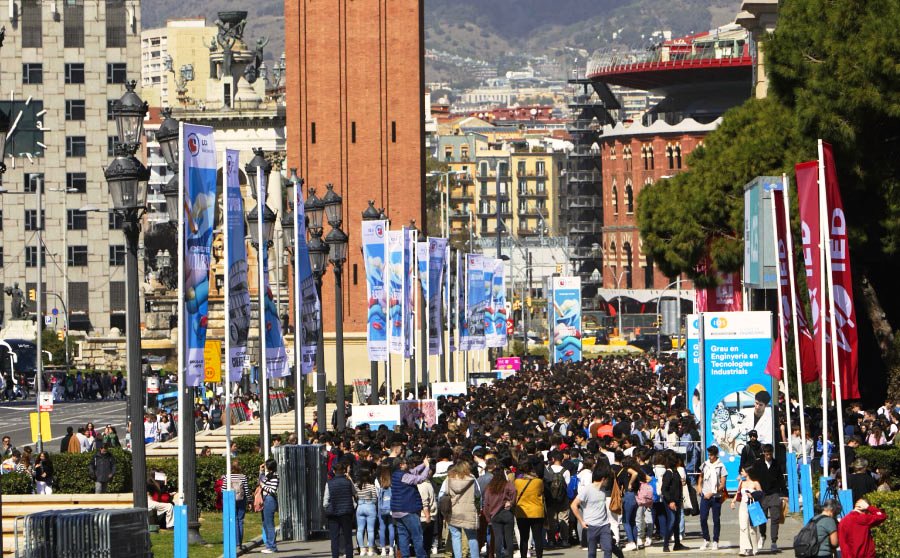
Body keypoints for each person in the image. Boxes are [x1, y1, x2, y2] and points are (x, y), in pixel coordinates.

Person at [391, 455, 431, 558]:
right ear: (401, 465)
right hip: (408, 510)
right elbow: (420, 479)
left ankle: (405, 556)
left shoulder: (396, 474)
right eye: (405, 463)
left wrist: (424, 464)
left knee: (403, 535)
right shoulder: (404, 476)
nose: (408, 465)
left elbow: (414, 471)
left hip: (397, 511)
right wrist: (427, 467)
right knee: (417, 535)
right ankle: (421, 556)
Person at [570, 465, 613, 558]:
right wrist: (581, 521)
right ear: (603, 479)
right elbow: (573, 505)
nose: (608, 481)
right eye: (607, 479)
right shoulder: (587, 490)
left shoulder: (603, 490)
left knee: (608, 549)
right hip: (591, 526)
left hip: (604, 525)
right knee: (592, 553)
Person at [752, 443, 786, 552]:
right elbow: (753, 477)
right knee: (762, 519)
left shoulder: (776, 464)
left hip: (774, 494)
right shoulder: (758, 463)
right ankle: (762, 535)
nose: (768, 456)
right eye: (766, 454)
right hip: (762, 495)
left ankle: (774, 542)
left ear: (772, 453)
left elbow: (781, 479)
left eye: (770, 454)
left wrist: (785, 494)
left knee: (775, 518)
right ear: (763, 453)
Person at [443, 461, 480, 558]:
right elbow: (477, 494)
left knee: (455, 537)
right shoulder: (472, 479)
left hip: (453, 511)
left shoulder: (449, 479)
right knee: (472, 537)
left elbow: (446, 492)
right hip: (469, 511)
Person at [324, 461, 358, 558]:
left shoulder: (329, 483)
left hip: (333, 513)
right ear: (344, 471)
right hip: (346, 512)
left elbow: (325, 501)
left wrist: (327, 508)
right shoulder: (348, 481)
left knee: (334, 538)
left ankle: (335, 556)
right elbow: (355, 493)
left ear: (334, 471)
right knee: (348, 537)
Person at [482, 464, 517, 558]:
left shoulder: (489, 488)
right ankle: (510, 556)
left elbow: (486, 504)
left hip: (495, 515)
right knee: (509, 537)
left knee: (498, 538)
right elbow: (514, 491)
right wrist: (511, 502)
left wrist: (488, 518)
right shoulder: (507, 484)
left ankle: (498, 556)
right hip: (507, 513)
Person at [696, 445, 727, 551]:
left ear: (716, 455)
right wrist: (699, 487)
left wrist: (713, 492)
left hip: (716, 497)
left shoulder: (721, 466)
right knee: (703, 518)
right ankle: (706, 539)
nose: (709, 457)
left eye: (711, 455)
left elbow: (723, 484)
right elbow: (700, 476)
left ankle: (715, 540)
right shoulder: (705, 464)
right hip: (705, 496)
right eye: (708, 455)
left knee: (716, 519)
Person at [514, 460, 545, 558]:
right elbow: (541, 492)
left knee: (524, 537)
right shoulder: (538, 481)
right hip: (537, 511)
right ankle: (539, 556)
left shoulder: (517, 482)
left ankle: (524, 555)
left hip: (522, 512)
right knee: (538, 537)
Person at [731, 466, 762, 556]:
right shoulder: (742, 482)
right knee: (743, 527)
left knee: (752, 529)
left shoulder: (755, 483)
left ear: (748, 472)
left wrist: (753, 495)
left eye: (743, 471)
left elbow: (761, 494)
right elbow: (737, 493)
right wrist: (733, 502)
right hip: (743, 506)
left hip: (753, 505)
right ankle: (744, 549)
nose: (741, 473)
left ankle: (754, 548)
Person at [220, 462, 250, 547]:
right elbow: (246, 490)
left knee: (234, 519)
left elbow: (223, 489)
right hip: (241, 499)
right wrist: (250, 500)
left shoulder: (227, 477)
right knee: (240, 520)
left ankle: (235, 540)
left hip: (231, 500)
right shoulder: (243, 477)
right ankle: (239, 541)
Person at [356, 467, 378, 556]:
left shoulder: (357, 485)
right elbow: (375, 498)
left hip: (360, 506)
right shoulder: (371, 486)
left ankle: (362, 549)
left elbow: (355, 495)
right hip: (370, 506)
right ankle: (370, 550)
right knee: (371, 530)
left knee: (360, 530)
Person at [258, 458, 279, 554]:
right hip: (265, 500)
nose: (265, 466)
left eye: (266, 465)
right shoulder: (268, 476)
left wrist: (263, 486)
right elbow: (261, 481)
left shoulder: (275, 476)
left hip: (270, 500)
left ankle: (272, 546)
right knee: (265, 523)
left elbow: (273, 489)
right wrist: (261, 472)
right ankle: (269, 545)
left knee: (269, 524)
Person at [376, 464, 395, 556]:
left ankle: (383, 549)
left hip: (381, 508)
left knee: (382, 528)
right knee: (391, 527)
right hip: (391, 508)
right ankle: (391, 549)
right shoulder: (392, 481)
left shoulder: (379, 480)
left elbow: (377, 495)